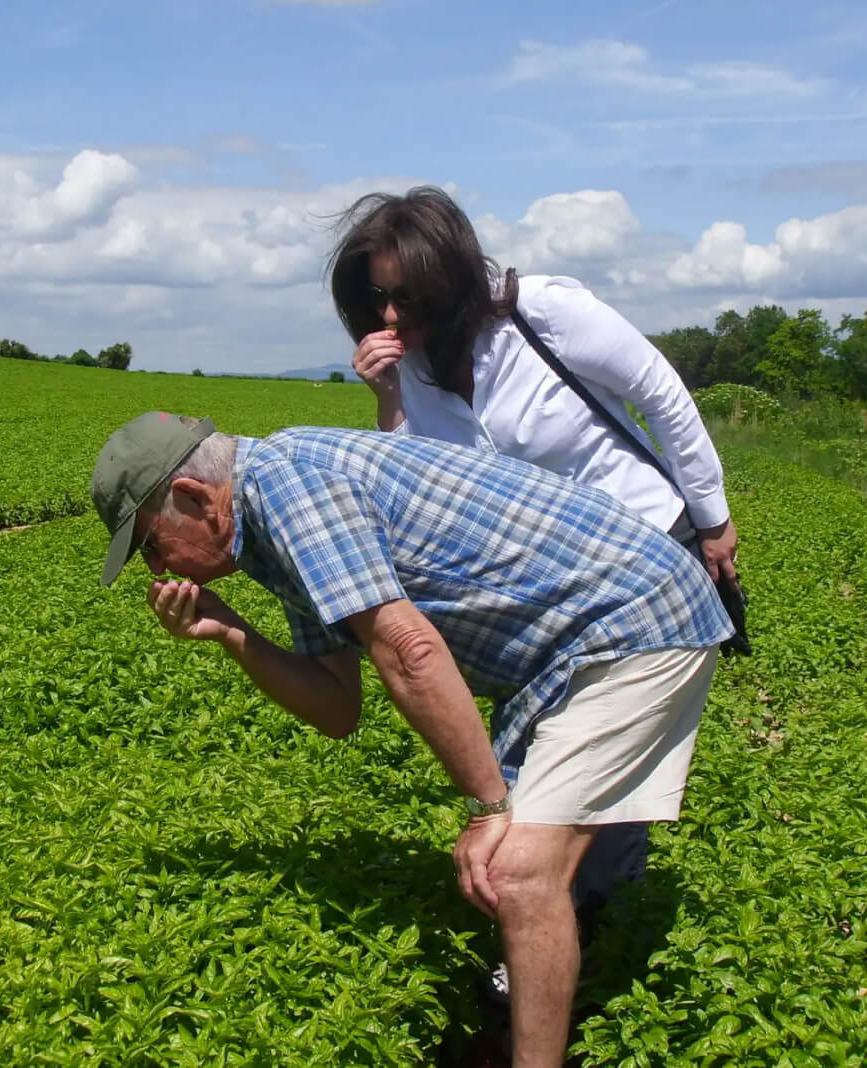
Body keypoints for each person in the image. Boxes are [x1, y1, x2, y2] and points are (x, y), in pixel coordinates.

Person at [91, 411, 731, 1068]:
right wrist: (232, 634)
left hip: (630, 621)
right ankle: (526, 1027)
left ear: (198, 499)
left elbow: (412, 650)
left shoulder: (290, 488)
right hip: (563, 651)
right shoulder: (265, 526)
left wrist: (489, 807)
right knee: (522, 869)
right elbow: (338, 706)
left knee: (518, 870)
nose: (157, 565)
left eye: (149, 543)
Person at [326, 185, 739, 1005]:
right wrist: (386, 399)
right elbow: (426, 478)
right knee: (564, 741)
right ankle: (571, 906)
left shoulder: (542, 313)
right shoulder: (403, 366)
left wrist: (713, 518)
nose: (392, 312)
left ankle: (575, 914)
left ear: (451, 277)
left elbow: (662, 396)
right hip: (549, 582)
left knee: (603, 738)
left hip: (647, 554)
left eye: (409, 293)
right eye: (376, 296)